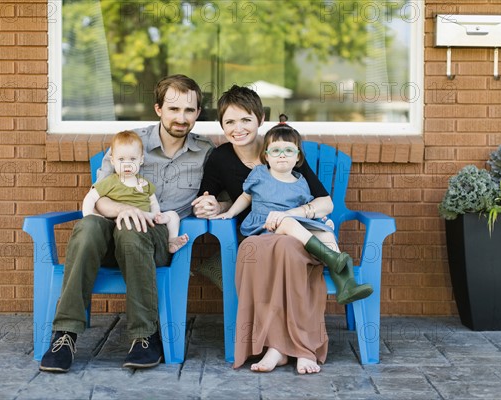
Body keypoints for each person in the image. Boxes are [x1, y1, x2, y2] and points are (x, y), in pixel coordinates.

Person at [39, 74, 214, 373]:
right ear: (159, 109)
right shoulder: (130, 143)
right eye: (173, 109)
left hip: (157, 238)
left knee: (133, 230)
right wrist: (122, 209)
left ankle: (145, 337)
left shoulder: (206, 152)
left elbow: (224, 196)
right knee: (88, 226)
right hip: (108, 234)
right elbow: (98, 199)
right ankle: (65, 335)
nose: (181, 118)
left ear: (198, 113)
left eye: (189, 110)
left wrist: (217, 204)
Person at [191, 85, 331, 374]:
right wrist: (208, 206)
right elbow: (208, 198)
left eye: (245, 120)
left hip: (297, 237)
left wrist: (292, 215)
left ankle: (301, 347)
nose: (237, 128)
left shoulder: (282, 151)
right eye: (229, 122)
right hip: (257, 237)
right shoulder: (221, 158)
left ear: (259, 120)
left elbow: (324, 201)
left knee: (287, 250)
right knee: (255, 250)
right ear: (221, 125)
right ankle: (277, 347)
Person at [212, 116, 373, 305]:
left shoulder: (301, 182)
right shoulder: (259, 174)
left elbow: (309, 209)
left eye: (288, 150)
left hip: (295, 229)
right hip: (266, 227)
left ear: (297, 157)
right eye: (276, 150)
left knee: (327, 236)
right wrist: (230, 213)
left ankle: (346, 285)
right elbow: (246, 197)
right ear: (266, 156)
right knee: (287, 221)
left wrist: (323, 221)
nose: (282, 155)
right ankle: (331, 257)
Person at [82, 130, 189, 254]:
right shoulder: (110, 182)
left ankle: (171, 240)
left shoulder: (145, 183)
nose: (127, 164)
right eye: (121, 159)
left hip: (147, 220)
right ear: (112, 161)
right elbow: (90, 197)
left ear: (141, 160)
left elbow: (153, 202)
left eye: (133, 159)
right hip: (122, 222)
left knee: (173, 215)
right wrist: (88, 214)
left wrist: (155, 214)